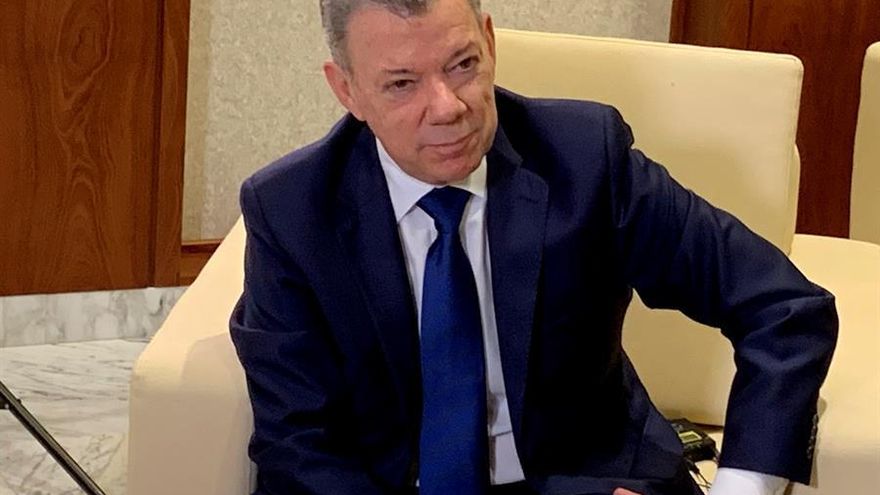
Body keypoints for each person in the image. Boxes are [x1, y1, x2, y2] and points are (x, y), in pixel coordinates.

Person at [229, 1, 838, 494]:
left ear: (490, 43)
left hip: (586, 482)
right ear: (347, 90)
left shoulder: (584, 158)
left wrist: (741, 488)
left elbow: (784, 309)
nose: (447, 108)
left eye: (462, 64)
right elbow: (295, 441)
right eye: (401, 84)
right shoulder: (291, 210)